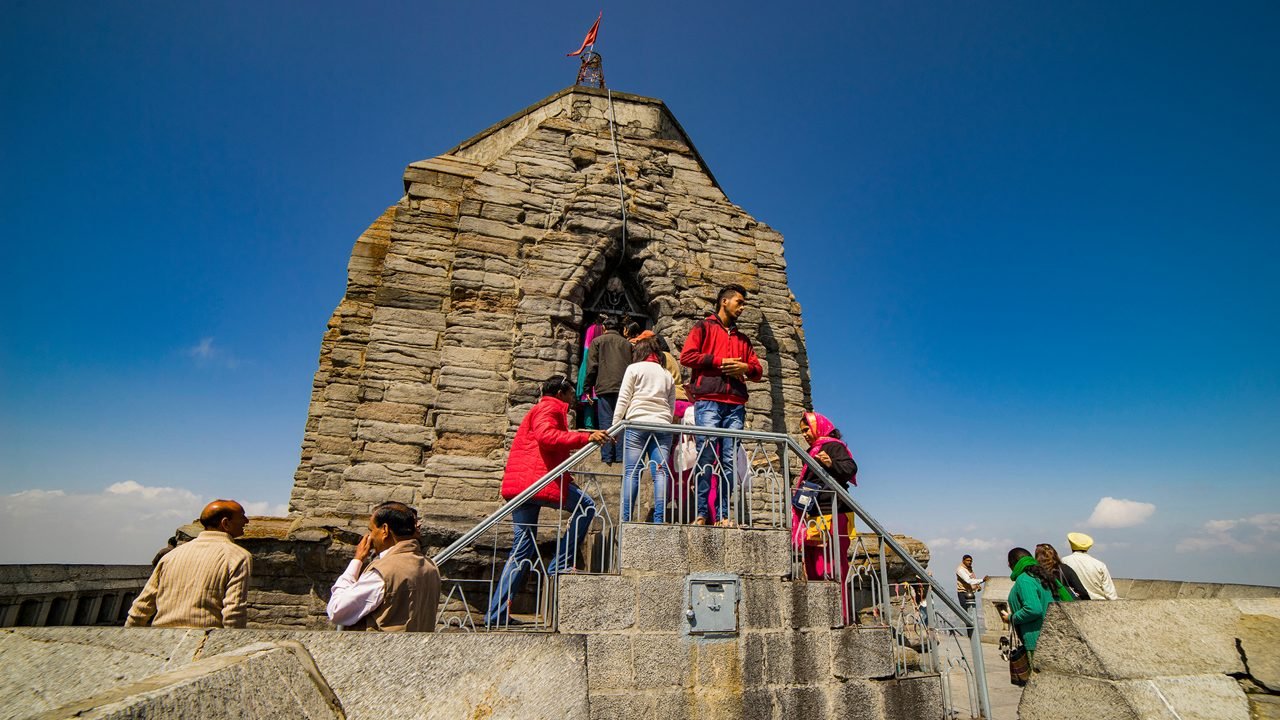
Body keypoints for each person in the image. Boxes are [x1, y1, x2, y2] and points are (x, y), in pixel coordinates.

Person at [485, 377, 611, 626]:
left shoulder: (541, 408)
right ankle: (560, 563)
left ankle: (496, 615)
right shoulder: (550, 408)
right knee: (586, 506)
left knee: (522, 549)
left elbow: (544, 452)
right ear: (562, 391)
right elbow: (547, 438)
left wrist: (566, 477)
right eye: (571, 391)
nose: (573, 395)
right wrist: (585, 437)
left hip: (524, 484)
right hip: (538, 483)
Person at [680, 283, 763, 526]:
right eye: (740, 301)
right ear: (724, 301)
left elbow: (757, 370)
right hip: (708, 401)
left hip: (735, 404)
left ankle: (724, 514)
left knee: (729, 459)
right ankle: (702, 513)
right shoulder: (703, 327)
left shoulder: (743, 339)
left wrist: (745, 367)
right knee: (705, 456)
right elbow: (687, 356)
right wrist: (719, 361)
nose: (742, 307)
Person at [126, 500, 252, 628]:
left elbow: (142, 606)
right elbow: (234, 612)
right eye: (242, 516)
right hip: (205, 642)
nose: (246, 521)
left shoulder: (171, 556)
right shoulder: (237, 556)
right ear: (225, 523)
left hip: (162, 637)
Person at [327, 502, 440, 631]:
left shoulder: (383, 572)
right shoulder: (430, 567)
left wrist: (357, 560)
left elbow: (337, 610)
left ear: (384, 530)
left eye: (372, 530)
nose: (370, 536)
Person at [614, 336, 676, 523]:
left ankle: (626, 518)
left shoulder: (634, 369)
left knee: (632, 472)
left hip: (638, 423)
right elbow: (671, 406)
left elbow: (624, 398)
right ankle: (658, 519)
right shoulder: (667, 374)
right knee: (660, 472)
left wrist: (615, 426)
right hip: (663, 425)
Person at [585, 315, 633, 464]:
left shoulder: (597, 342)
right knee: (621, 422)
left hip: (604, 387)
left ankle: (607, 456)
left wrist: (587, 388)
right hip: (624, 388)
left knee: (606, 422)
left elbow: (592, 367)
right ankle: (620, 456)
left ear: (604, 328)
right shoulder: (627, 345)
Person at [999, 547, 1058, 661]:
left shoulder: (1024, 579)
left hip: (1036, 639)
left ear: (1012, 564)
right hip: (1051, 635)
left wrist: (1011, 617)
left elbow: (1033, 609)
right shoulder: (1044, 576)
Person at [1059, 532, 1119, 600]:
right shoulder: (1099, 565)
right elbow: (1111, 593)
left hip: (1075, 602)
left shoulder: (1064, 561)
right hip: (1099, 603)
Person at [955, 554, 983, 631]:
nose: (969, 562)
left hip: (970, 593)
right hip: (963, 593)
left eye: (970, 561)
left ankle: (972, 634)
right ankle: (971, 634)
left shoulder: (969, 569)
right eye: (967, 560)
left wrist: (977, 585)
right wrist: (982, 580)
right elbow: (968, 580)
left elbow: (972, 578)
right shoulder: (960, 569)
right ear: (963, 561)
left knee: (972, 615)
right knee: (968, 615)